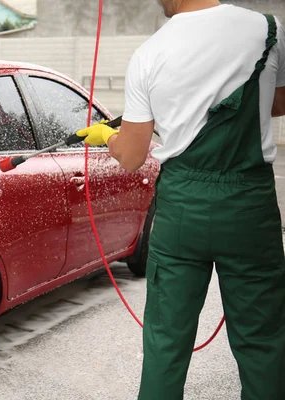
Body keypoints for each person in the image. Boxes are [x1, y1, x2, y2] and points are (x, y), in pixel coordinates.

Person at [77, 0, 285, 399]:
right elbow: (279, 102)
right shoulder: (268, 30)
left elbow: (133, 156)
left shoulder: (150, 53)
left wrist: (109, 137)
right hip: (248, 209)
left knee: (166, 345)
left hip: (181, 209)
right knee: (262, 344)